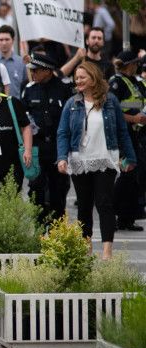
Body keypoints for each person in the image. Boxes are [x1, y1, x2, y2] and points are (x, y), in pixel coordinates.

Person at [57, 62, 139, 259]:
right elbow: (63, 133)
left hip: (104, 158)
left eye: (82, 77)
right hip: (80, 160)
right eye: (76, 78)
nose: (78, 81)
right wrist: (61, 157)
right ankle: (86, 246)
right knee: (84, 205)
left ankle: (107, 250)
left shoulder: (110, 101)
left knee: (104, 203)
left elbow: (122, 132)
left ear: (93, 78)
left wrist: (130, 157)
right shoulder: (72, 103)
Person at [22, 53, 75, 224]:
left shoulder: (64, 89)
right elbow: (24, 118)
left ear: (48, 71)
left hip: (57, 147)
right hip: (37, 147)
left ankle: (56, 229)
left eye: (36, 70)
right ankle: (38, 226)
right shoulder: (29, 89)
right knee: (36, 188)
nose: (33, 73)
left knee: (58, 189)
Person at [109, 51, 146, 231]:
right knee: (127, 173)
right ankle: (111, 211)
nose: (137, 66)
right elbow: (112, 110)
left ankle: (127, 218)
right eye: (135, 63)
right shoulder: (116, 83)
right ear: (128, 64)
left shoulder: (136, 82)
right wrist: (134, 119)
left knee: (136, 176)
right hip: (123, 134)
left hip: (137, 134)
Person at [0, 26, 26, 99]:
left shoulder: (21, 62)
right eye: (1, 40)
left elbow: (25, 86)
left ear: (13, 40)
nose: (4, 43)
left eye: (7, 39)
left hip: (16, 105)